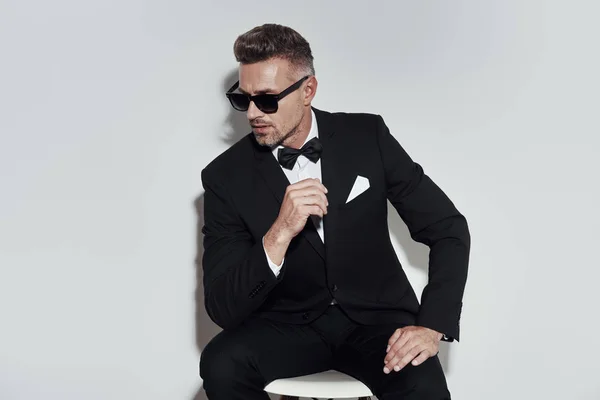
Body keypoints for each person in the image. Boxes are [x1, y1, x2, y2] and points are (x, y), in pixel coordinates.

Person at [199, 23, 470, 400]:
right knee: (220, 363)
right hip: (286, 325)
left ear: (308, 89)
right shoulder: (225, 177)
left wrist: (432, 325)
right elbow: (222, 307)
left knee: (422, 382)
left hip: (377, 324)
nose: (253, 114)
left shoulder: (367, 137)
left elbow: (448, 228)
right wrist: (279, 233)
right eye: (243, 100)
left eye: (268, 99)